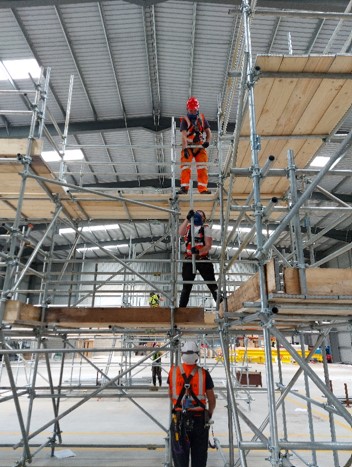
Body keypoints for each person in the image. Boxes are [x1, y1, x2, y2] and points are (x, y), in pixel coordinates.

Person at [168, 340, 216, 467]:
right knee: (199, 457)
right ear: (197, 355)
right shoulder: (204, 373)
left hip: (179, 420)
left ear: (182, 354)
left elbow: (170, 394)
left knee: (180, 457)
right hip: (199, 420)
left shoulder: (173, 372)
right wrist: (209, 414)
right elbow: (212, 399)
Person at [179, 209, 220, 307]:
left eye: (201, 216)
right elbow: (180, 232)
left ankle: (222, 306)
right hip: (189, 259)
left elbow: (208, 245)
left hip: (202, 259)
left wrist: (198, 251)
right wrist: (187, 219)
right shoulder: (188, 227)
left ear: (204, 218)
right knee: (186, 287)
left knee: (212, 285)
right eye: (197, 215)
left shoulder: (205, 228)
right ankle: (181, 310)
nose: (198, 217)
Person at [178, 96, 212, 195]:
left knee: (202, 167)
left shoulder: (202, 118)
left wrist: (207, 142)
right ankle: (184, 188)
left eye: (194, 110)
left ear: (197, 109)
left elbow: (209, 132)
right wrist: (184, 150)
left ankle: (203, 189)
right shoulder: (185, 120)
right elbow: (184, 136)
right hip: (188, 146)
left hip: (199, 147)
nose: (192, 112)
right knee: (185, 166)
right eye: (190, 110)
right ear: (187, 109)